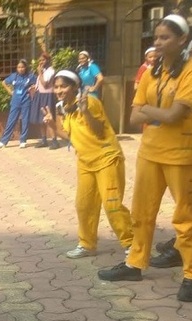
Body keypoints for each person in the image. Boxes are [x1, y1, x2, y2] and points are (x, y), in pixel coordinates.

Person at [97, 14, 192, 302]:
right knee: (142, 212)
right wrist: (157, 114)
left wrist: (151, 112)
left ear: (182, 39)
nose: (158, 42)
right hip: (150, 152)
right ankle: (135, 263)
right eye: (156, 37)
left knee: (185, 217)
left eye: (165, 37)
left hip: (181, 154)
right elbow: (134, 116)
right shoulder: (151, 73)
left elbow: (174, 115)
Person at [42, 70, 133, 259]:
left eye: (63, 86)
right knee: (83, 205)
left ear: (75, 87)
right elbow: (70, 137)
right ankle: (87, 244)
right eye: (56, 86)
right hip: (85, 162)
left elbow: (99, 131)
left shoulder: (89, 102)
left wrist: (85, 111)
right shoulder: (62, 108)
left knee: (112, 204)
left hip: (107, 158)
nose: (59, 90)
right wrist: (52, 125)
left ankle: (132, 244)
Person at [0, 59, 36, 149]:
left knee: (25, 120)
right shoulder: (14, 76)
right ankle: (3, 141)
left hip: (26, 101)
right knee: (11, 121)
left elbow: (37, 83)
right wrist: (10, 91)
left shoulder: (30, 76)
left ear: (25, 67)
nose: (21, 69)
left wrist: (32, 89)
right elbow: (4, 82)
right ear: (17, 68)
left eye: (22, 67)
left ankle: (23, 141)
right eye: (19, 67)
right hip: (15, 101)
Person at [29, 53, 60, 149]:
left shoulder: (51, 71)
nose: (41, 62)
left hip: (47, 96)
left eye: (43, 60)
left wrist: (39, 72)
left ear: (48, 60)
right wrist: (34, 87)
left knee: (48, 118)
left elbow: (45, 84)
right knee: (40, 119)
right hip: (40, 95)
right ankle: (44, 140)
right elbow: (40, 83)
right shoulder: (43, 71)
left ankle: (54, 141)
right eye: (40, 60)